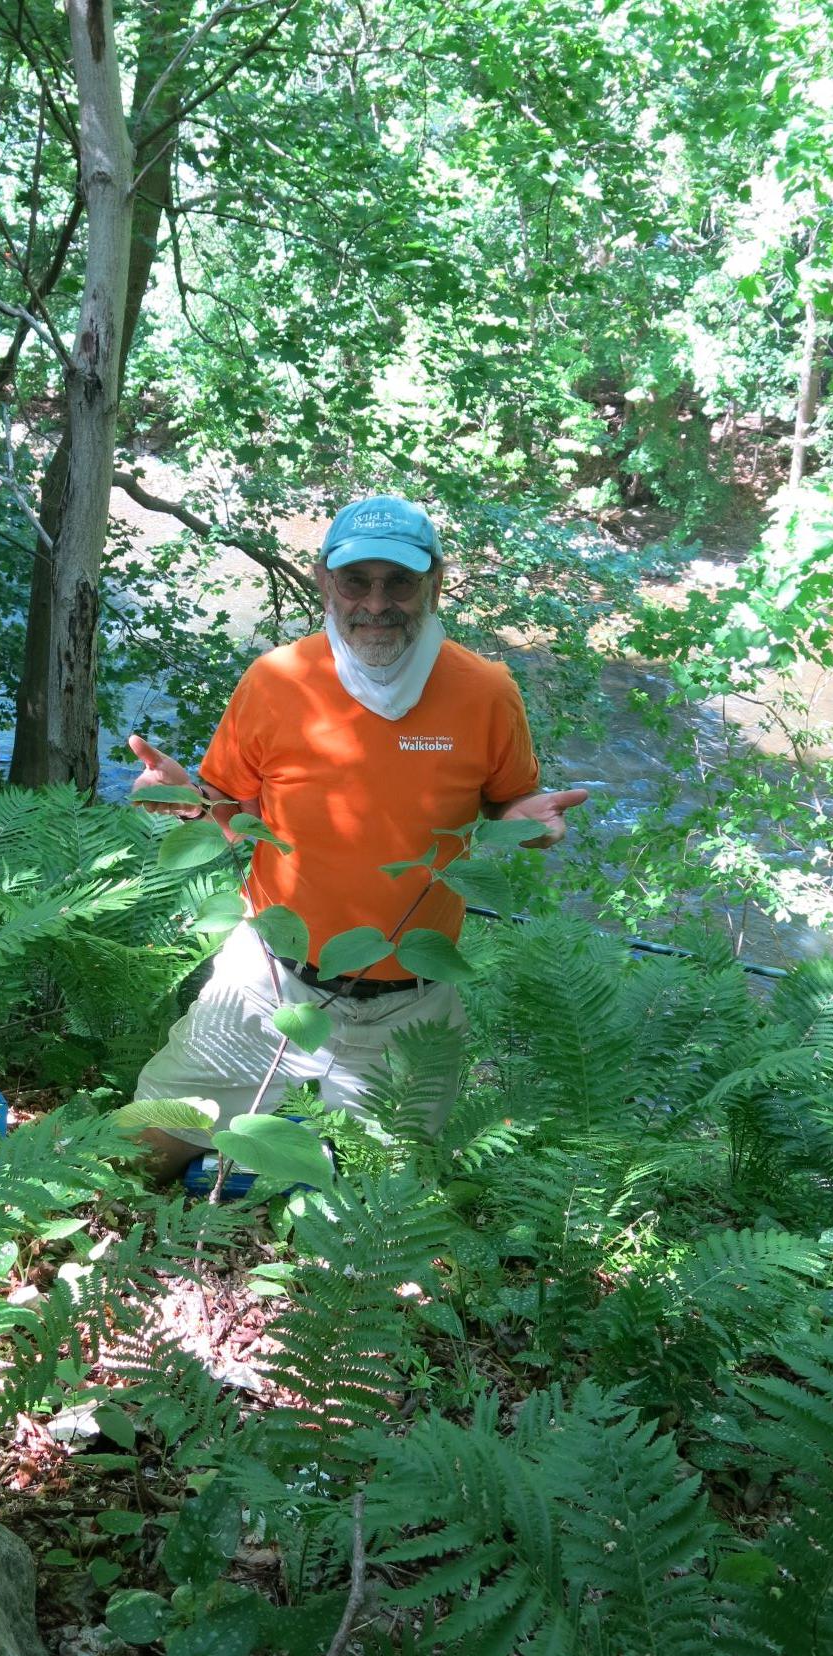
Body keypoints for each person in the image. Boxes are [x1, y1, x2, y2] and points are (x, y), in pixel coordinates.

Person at [128, 495, 588, 1178]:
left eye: (399, 581)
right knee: (142, 1147)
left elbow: (509, 800)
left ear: (434, 581)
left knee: (381, 1212)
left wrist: (527, 823)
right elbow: (231, 811)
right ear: (323, 581)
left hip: (412, 1002)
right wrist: (189, 805)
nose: (377, 602)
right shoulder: (277, 679)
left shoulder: (486, 690)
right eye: (356, 580)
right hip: (266, 980)